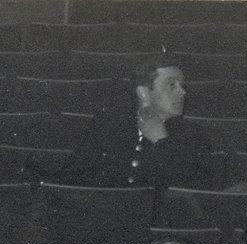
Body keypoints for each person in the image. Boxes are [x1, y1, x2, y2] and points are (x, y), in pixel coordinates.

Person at [73, 61, 220, 192]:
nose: (182, 91)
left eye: (182, 85)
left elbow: (194, 194)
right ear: (143, 93)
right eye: (171, 85)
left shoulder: (195, 135)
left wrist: (162, 142)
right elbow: (76, 177)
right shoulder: (107, 124)